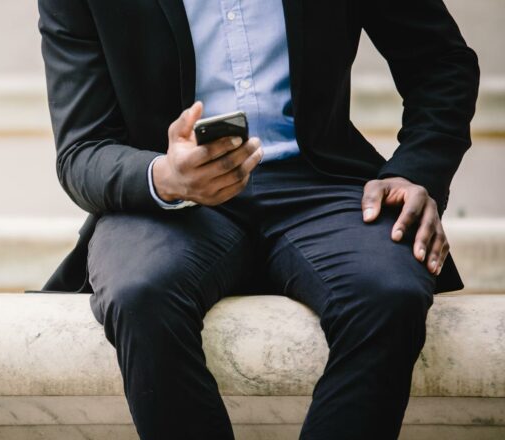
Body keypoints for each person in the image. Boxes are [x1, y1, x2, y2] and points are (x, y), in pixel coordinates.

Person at [36, 0, 479, 438]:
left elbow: (442, 63)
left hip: (320, 184)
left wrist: (416, 172)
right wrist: (166, 177)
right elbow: (83, 149)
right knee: (140, 293)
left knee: (390, 291)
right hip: (172, 198)